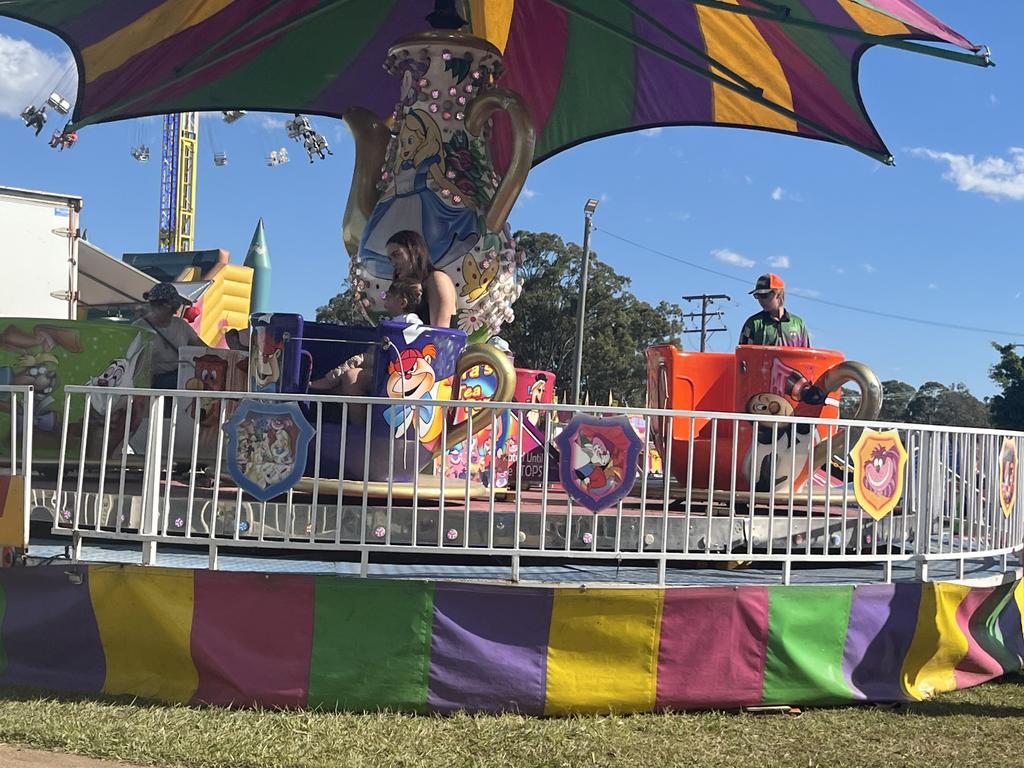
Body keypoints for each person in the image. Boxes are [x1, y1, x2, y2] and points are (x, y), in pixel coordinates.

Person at [310, 277, 424, 397]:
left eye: (388, 297)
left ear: (402, 303)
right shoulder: (396, 321)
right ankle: (334, 388)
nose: (385, 300)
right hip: (387, 358)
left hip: (393, 360)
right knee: (352, 373)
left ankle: (329, 381)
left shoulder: (410, 320)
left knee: (358, 360)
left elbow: (412, 340)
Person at [133, 283, 207, 388]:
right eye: (157, 305)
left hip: (180, 380)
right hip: (150, 384)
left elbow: (204, 349)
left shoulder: (181, 325)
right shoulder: (139, 328)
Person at [384, 230, 457, 328]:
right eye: (390, 259)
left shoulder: (437, 279)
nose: (393, 263)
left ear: (414, 251)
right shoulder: (408, 286)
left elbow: (440, 331)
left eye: (396, 255)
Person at [738, 273, 811, 348]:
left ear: (778, 294)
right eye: (757, 296)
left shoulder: (798, 324)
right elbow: (743, 355)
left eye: (764, 295)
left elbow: (806, 356)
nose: (760, 300)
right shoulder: (753, 323)